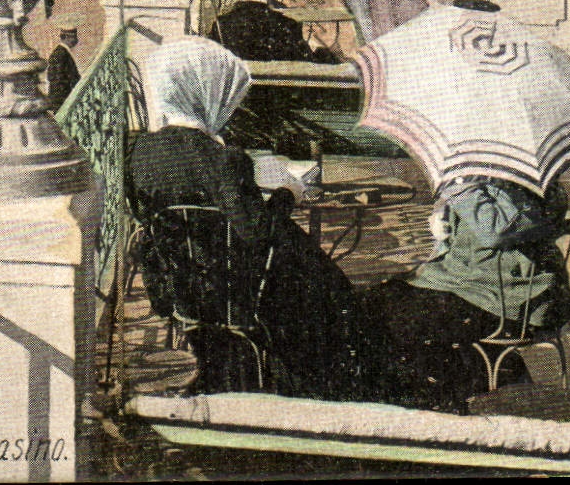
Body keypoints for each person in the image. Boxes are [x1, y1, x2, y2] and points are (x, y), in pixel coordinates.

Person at [126, 38, 384, 402]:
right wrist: (287, 194)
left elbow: (148, 214)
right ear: (207, 94)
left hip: (179, 285)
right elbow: (256, 231)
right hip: (235, 289)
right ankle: (324, 378)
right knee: (323, 277)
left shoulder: (139, 150)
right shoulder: (224, 159)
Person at [362, 177, 570, 413]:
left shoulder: (529, 186)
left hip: (511, 301)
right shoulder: (498, 181)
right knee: (376, 300)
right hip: (475, 285)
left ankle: (447, 391)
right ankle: (479, 372)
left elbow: (495, 231)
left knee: (396, 319)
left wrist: (461, 189)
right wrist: (443, 208)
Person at [207, 0, 335, 63]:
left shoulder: (221, 24)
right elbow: (302, 61)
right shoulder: (286, 23)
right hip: (277, 99)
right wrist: (321, 52)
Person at [44, 24, 81, 113]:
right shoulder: (60, 54)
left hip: (63, 99)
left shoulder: (62, 52)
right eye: (73, 37)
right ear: (65, 37)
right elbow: (57, 79)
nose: (76, 40)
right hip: (61, 100)